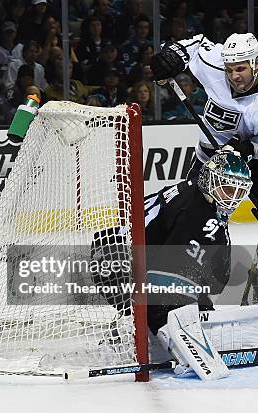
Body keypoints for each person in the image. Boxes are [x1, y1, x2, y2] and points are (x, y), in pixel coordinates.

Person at [91, 149, 253, 363]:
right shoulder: (195, 214)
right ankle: (126, 336)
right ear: (210, 180)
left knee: (188, 294)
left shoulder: (197, 191)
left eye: (239, 192)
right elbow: (167, 276)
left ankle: (137, 325)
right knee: (166, 308)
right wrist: (170, 327)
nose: (232, 198)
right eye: (227, 189)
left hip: (112, 253)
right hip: (114, 262)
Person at [151, 32, 258, 194]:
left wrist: (247, 148)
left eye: (240, 69)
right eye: (229, 70)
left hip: (252, 158)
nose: (234, 76)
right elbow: (197, 44)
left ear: (255, 63)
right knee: (192, 208)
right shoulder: (214, 64)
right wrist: (174, 55)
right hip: (209, 157)